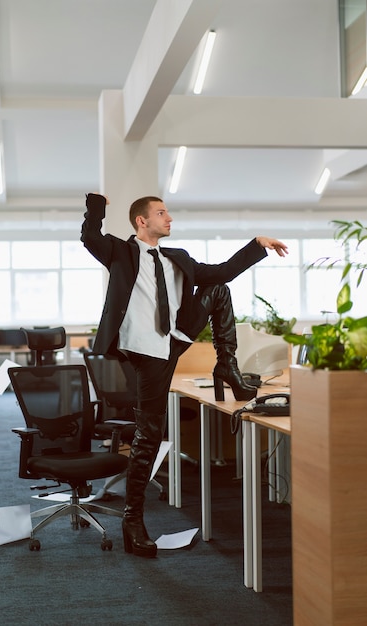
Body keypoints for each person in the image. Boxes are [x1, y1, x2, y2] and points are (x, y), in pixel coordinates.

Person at [81, 193, 288, 559]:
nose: (169, 218)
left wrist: (257, 245)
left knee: (218, 288)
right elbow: (89, 237)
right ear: (141, 221)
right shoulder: (119, 252)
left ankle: (227, 364)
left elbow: (223, 270)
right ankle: (133, 521)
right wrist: (96, 204)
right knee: (149, 433)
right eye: (161, 213)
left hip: (173, 339)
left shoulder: (178, 259)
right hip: (144, 352)